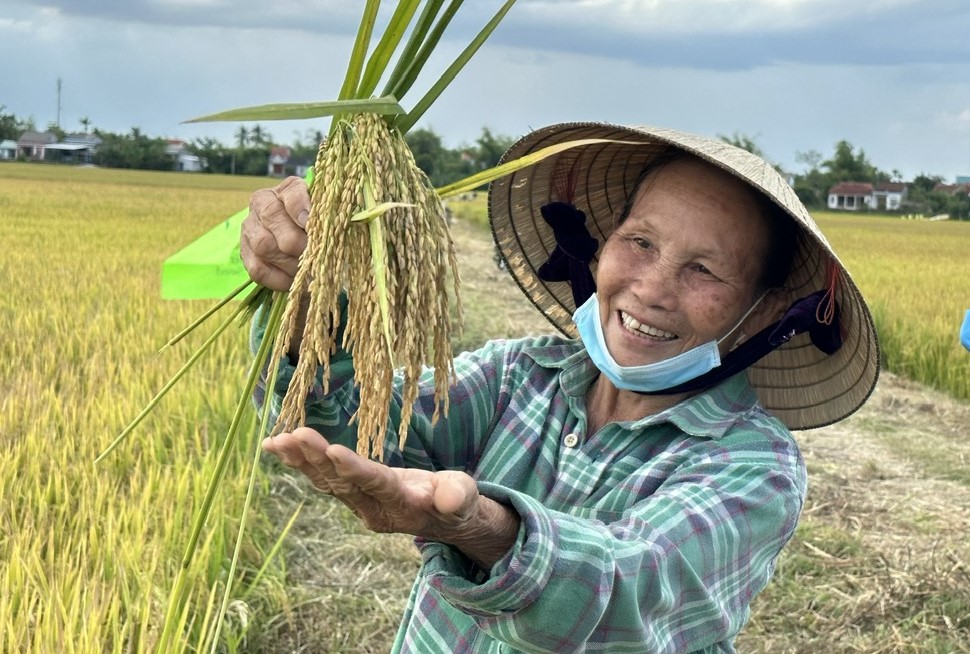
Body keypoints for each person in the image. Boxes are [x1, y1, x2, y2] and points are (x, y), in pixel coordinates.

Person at [243, 122, 880, 653]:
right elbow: (367, 424)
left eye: (704, 270)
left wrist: (483, 529)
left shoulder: (753, 468)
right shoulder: (521, 375)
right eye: (640, 242)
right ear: (601, 248)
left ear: (764, 312)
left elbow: (632, 589)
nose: (653, 290)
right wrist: (307, 307)